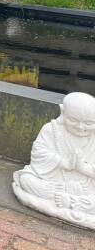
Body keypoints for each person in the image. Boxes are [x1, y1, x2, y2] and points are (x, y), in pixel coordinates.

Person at [13, 92, 95, 229]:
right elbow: (39, 152)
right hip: (53, 180)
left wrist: (83, 168)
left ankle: (73, 202)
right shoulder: (52, 130)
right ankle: (67, 199)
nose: (80, 127)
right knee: (26, 180)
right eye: (73, 120)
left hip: (86, 185)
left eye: (89, 123)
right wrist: (64, 163)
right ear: (63, 111)